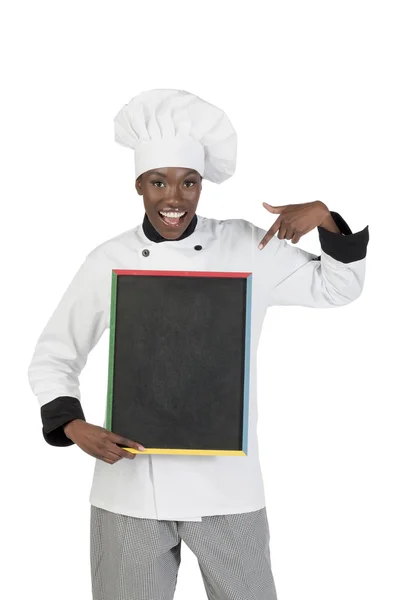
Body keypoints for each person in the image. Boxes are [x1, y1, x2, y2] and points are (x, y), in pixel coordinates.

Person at [27, 88, 369, 600]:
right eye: (159, 182)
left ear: (201, 185)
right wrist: (72, 426)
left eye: (189, 183)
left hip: (228, 489)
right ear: (139, 185)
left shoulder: (246, 246)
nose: (174, 197)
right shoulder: (108, 259)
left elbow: (339, 287)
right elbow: (55, 353)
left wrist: (325, 217)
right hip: (129, 489)